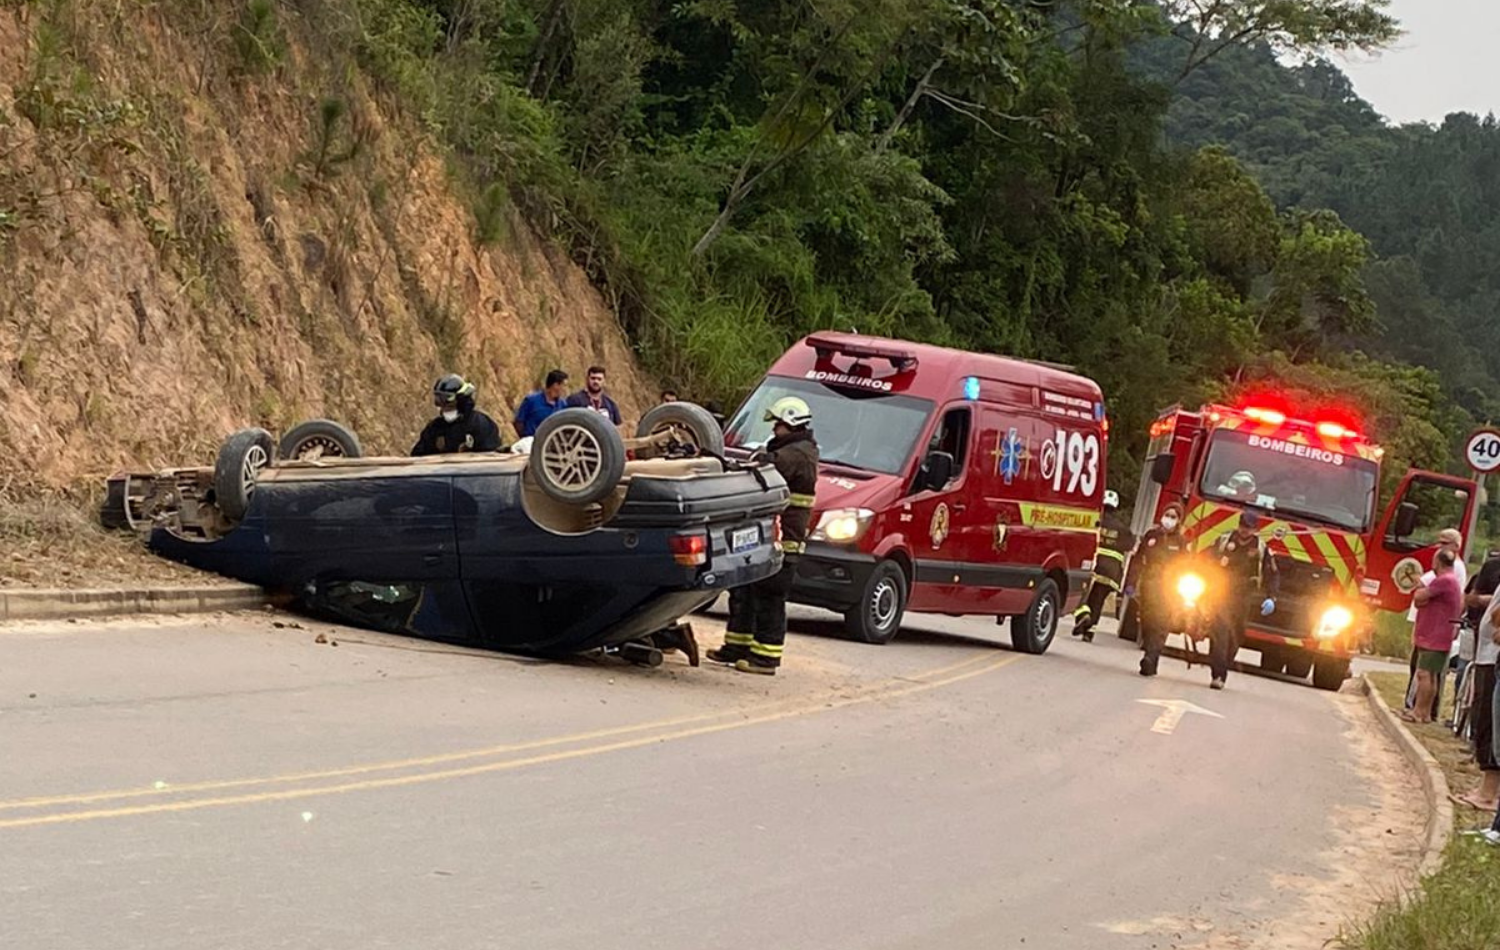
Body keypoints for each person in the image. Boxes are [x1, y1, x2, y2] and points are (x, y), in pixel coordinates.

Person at [707, 396, 818, 675]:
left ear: (791, 424)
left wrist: (755, 460)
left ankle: (766, 657)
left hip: (784, 539)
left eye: (778, 425)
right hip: (766, 535)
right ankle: (737, 646)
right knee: (745, 590)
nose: (773, 431)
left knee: (770, 596)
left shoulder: (798, 454)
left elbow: (768, 467)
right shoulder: (791, 449)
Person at [1204, 509, 1279, 690]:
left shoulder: (1261, 548)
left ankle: (1223, 663)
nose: (1245, 530)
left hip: (1244, 596)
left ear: (1255, 529)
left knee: (1236, 635)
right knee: (1220, 631)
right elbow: (1206, 558)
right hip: (1221, 593)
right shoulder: (1225, 541)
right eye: (1243, 526)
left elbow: (1272, 574)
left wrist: (1272, 597)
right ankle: (1219, 674)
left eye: (1249, 527)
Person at [1405, 528, 1468, 715]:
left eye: (1444, 543)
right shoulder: (1448, 577)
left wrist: (1421, 591)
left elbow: (1420, 596)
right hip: (1436, 632)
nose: (1439, 546)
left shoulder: (1446, 577)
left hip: (1434, 634)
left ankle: (1420, 711)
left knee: (1424, 673)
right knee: (1429, 674)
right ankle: (1424, 712)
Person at [1456, 556, 1500, 812]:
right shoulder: (1493, 568)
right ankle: (1485, 788)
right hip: (1485, 655)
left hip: (1492, 657)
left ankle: (1488, 793)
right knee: (1483, 721)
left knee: (1489, 724)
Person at [1131, 503, 1191, 677]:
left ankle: (1150, 657)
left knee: (1160, 624)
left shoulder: (1181, 542)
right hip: (1148, 587)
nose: (1169, 519)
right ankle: (1151, 658)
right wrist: (1131, 582)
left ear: (1179, 520)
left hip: (1168, 590)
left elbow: (1185, 567)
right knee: (1148, 623)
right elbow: (1137, 560)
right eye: (1167, 515)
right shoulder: (1151, 536)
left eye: (1173, 517)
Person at [1071, 495, 1131, 643]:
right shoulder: (1122, 528)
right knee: (1097, 601)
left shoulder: (1094, 521)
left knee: (1080, 594)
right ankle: (1089, 632)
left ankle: (1082, 616)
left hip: (1093, 565)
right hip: (1111, 572)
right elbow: (1129, 546)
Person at [411, 374, 503, 456]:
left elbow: (493, 459)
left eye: (446, 401)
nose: (442, 407)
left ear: (461, 401)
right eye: (439, 401)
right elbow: (417, 459)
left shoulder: (480, 425)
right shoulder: (434, 429)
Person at [514, 369, 569, 438]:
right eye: (564, 385)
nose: (565, 389)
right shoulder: (531, 400)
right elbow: (519, 422)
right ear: (555, 385)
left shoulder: (562, 405)